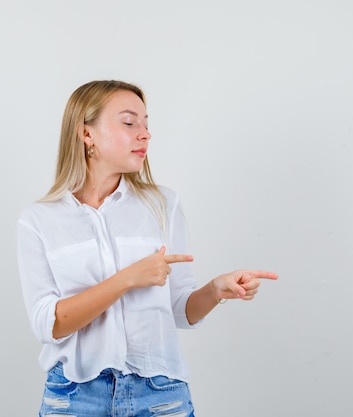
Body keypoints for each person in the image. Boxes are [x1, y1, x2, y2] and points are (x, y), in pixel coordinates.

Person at [17, 80, 278, 416]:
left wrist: (214, 291)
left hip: (159, 395)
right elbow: (49, 325)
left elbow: (180, 309)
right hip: (74, 398)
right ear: (87, 135)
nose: (145, 134)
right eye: (129, 123)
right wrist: (127, 278)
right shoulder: (39, 220)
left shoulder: (162, 204)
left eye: (146, 123)